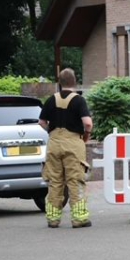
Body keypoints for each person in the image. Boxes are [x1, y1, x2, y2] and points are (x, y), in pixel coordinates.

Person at [39, 68, 93, 229]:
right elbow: (88, 123)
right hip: (72, 144)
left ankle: (53, 219)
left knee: (55, 181)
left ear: (59, 82)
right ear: (74, 81)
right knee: (75, 180)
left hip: (54, 143)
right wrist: (86, 135)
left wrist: (52, 132)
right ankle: (79, 218)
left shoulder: (50, 99)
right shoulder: (78, 100)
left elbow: (41, 122)